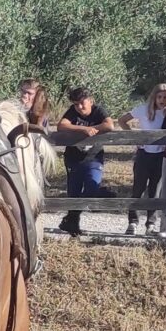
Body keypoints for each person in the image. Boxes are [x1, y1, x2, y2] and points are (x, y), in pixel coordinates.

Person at [48, 86, 112, 237]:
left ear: (91, 100)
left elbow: (109, 125)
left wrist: (92, 128)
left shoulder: (98, 111)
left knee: (92, 187)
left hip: (93, 157)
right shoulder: (72, 111)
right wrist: (82, 129)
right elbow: (61, 125)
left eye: (82, 103)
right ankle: (72, 224)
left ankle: (102, 194)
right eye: (76, 104)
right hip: (73, 159)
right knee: (73, 193)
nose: (80, 107)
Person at [124, 81, 166, 235]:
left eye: (165, 97)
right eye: (159, 97)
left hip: (161, 155)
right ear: (154, 97)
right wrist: (135, 137)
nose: (162, 100)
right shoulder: (143, 109)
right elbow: (122, 120)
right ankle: (132, 222)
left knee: (155, 190)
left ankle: (151, 224)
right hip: (144, 153)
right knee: (138, 188)